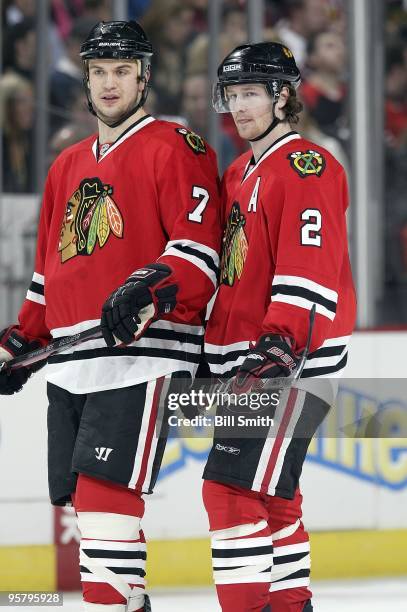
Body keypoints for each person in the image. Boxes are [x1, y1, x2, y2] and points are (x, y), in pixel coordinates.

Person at [0, 20, 221, 612]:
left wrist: (151, 289)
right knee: (85, 505)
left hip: (141, 355)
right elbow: (51, 275)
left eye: (122, 71)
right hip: (73, 361)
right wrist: (23, 337)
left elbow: (200, 254)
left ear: (144, 77)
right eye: (99, 71)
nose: (108, 83)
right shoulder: (65, 165)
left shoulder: (177, 146)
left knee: (105, 500)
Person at [202, 42, 356, 612]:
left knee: (230, 489)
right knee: (275, 497)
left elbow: (309, 265)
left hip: (286, 366)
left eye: (251, 93)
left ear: (283, 95)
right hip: (251, 364)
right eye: (233, 94)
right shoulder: (240, 170)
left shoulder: (306, 165)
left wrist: (279, 346)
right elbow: (233, 274)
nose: (239, 106)